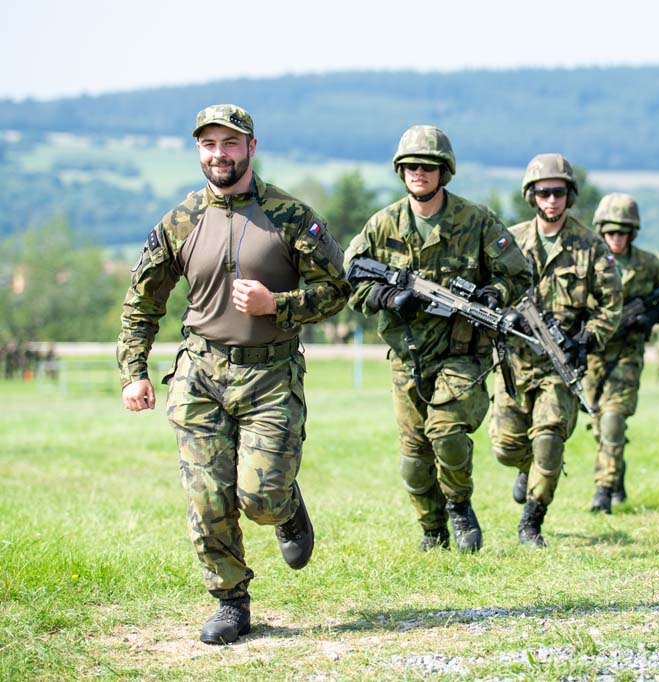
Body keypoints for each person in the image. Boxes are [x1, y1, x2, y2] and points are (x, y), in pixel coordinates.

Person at [117, 104, 351, 645]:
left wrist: (278, 303)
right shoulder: (181, 220)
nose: (218, 154)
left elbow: (339, 289)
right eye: (208, 145)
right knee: (206, 497)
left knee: (260, 498)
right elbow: (141, 301)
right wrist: (134, 370)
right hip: (199, 374)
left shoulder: (291, 216)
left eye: (229, 143)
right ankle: (230, 602)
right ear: (199, 151)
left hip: (270, 376)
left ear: (251, 146)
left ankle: (286, 507)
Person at [345, 125, 531, 553]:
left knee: (446, 432)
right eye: (411, 166)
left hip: (461, 353)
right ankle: (432, 530)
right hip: (407, 358)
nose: (419, 173)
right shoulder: (382, 225)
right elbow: (350, 278)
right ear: (401, 171)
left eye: (428, 166)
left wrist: (493, 294)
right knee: (413, 458)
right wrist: (388, 296)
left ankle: (459, 506)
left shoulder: (476, 220)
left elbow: (517, 272)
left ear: (444, 171)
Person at [490, 154, 622, 546]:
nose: (552, 201)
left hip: (559, 365)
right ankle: (524, 466)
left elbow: (611, 305)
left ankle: (532, 521)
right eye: (544, 193)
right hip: (514, 362)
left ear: (569, 195)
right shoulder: (509, 241)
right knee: (505, 448)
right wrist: (503, 314)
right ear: (532, 195)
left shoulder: (590, 247)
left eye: (559, 193)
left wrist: (587, 339)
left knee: (549, 438)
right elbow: (490, 288)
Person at [582, 193, 659, 513]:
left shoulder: (647, 264)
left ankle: (603, 490)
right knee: (599, 422)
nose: (616, 239)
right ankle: (616, 473)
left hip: (628, 353)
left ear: (632, 232)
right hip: (592, 354)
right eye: (610, 232)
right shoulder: (587, 260)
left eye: (622, 232)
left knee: (613, 419)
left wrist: (649, 317)